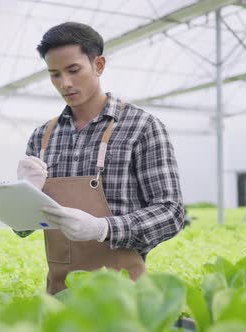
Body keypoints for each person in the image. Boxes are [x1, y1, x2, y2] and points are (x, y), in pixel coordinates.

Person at [15, 22, 184, 294]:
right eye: (54, 74)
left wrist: (102, 228)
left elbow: (170, 212)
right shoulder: (42, 137)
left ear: (99, 65)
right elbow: (22, 229)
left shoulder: (142, 127)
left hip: (124, 294)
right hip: (61, 293)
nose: (64, 83)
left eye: (73, 70)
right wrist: (23, 195)